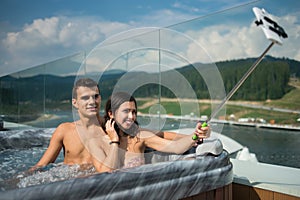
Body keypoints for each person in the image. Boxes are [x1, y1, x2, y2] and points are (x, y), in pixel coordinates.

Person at [30, 78, 121, 173]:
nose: (92, 102)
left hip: (101, 182)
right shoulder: (65, 131)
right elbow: (40, 166)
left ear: (100, 98)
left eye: (95, 96)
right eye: (85, 98)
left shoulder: (112, 127)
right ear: (75, 103)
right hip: (72, 184)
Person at [101, 91, 210, 169]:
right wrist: (114, 141)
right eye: (126, 111)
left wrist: (195, 136)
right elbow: (106, 173)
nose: (131, 116)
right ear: (111, 114)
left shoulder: (140, 136)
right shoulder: (101, 141)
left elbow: (176, 147)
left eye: (134, 112)